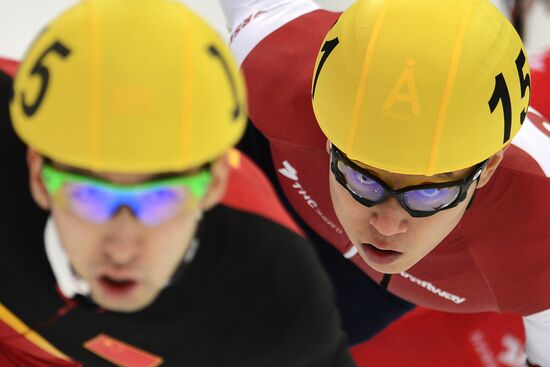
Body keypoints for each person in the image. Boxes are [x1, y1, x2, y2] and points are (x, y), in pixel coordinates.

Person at [0, 0, 356, 366]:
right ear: (38, 177)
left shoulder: (271, 289)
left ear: (215, 184)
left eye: (161, 199)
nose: (122, 249)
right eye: (89, 195)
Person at [217, 0, 550, 365]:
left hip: (356, 289)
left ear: (487, 170)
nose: (386, 225)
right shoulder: (275, 59)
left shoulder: (540, 231)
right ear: (329, 138)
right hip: (267, 180)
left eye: (428, 192)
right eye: (363, 177)